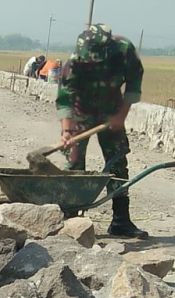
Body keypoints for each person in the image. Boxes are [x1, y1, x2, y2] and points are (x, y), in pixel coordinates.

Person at [57, 24, 148, 239]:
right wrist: (67, 130)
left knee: (117, 163)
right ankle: (72, 219)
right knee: (74, 163)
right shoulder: (75, 61)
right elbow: (65, 96)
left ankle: (120, 221)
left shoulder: (124, 51)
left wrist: (121, 116)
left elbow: (134, 83)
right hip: (81, 109)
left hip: (112, 108)